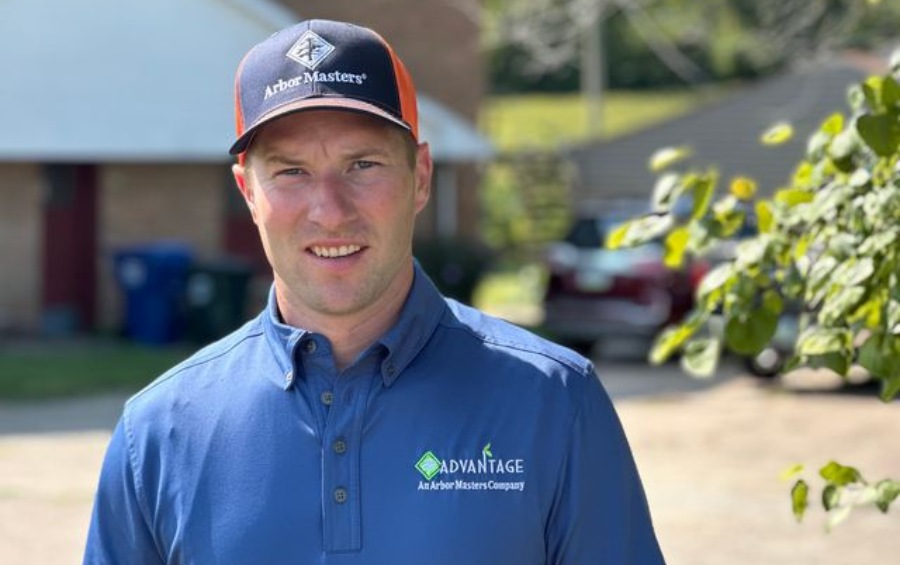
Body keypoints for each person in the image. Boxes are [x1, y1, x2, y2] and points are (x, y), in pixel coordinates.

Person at [84, 18, 666, 565]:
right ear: (247, 192)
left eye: (362, 165)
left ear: (420, 177)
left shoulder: (554, 401)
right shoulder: (157, 432)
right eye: (291, 171)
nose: (330, 212)